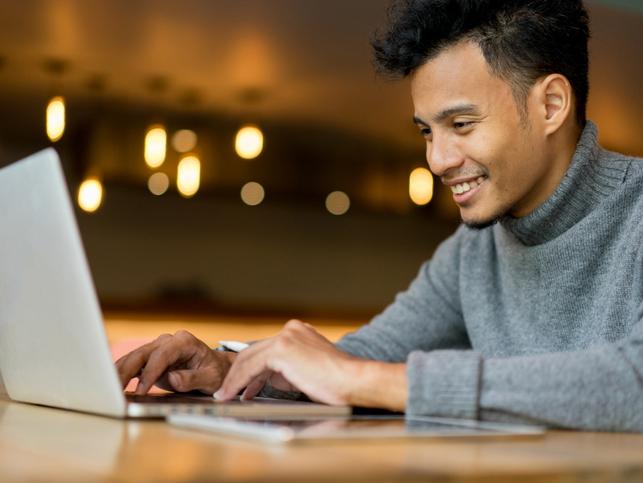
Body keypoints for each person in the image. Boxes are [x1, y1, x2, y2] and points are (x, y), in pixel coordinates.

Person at [116, 0, 643, 432]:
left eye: (461, 123)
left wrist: (372, 381)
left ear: (551, 105)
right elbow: (367, 354)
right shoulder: (472, 252)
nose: (437, 160)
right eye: (427, 132)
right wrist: (231, 368)